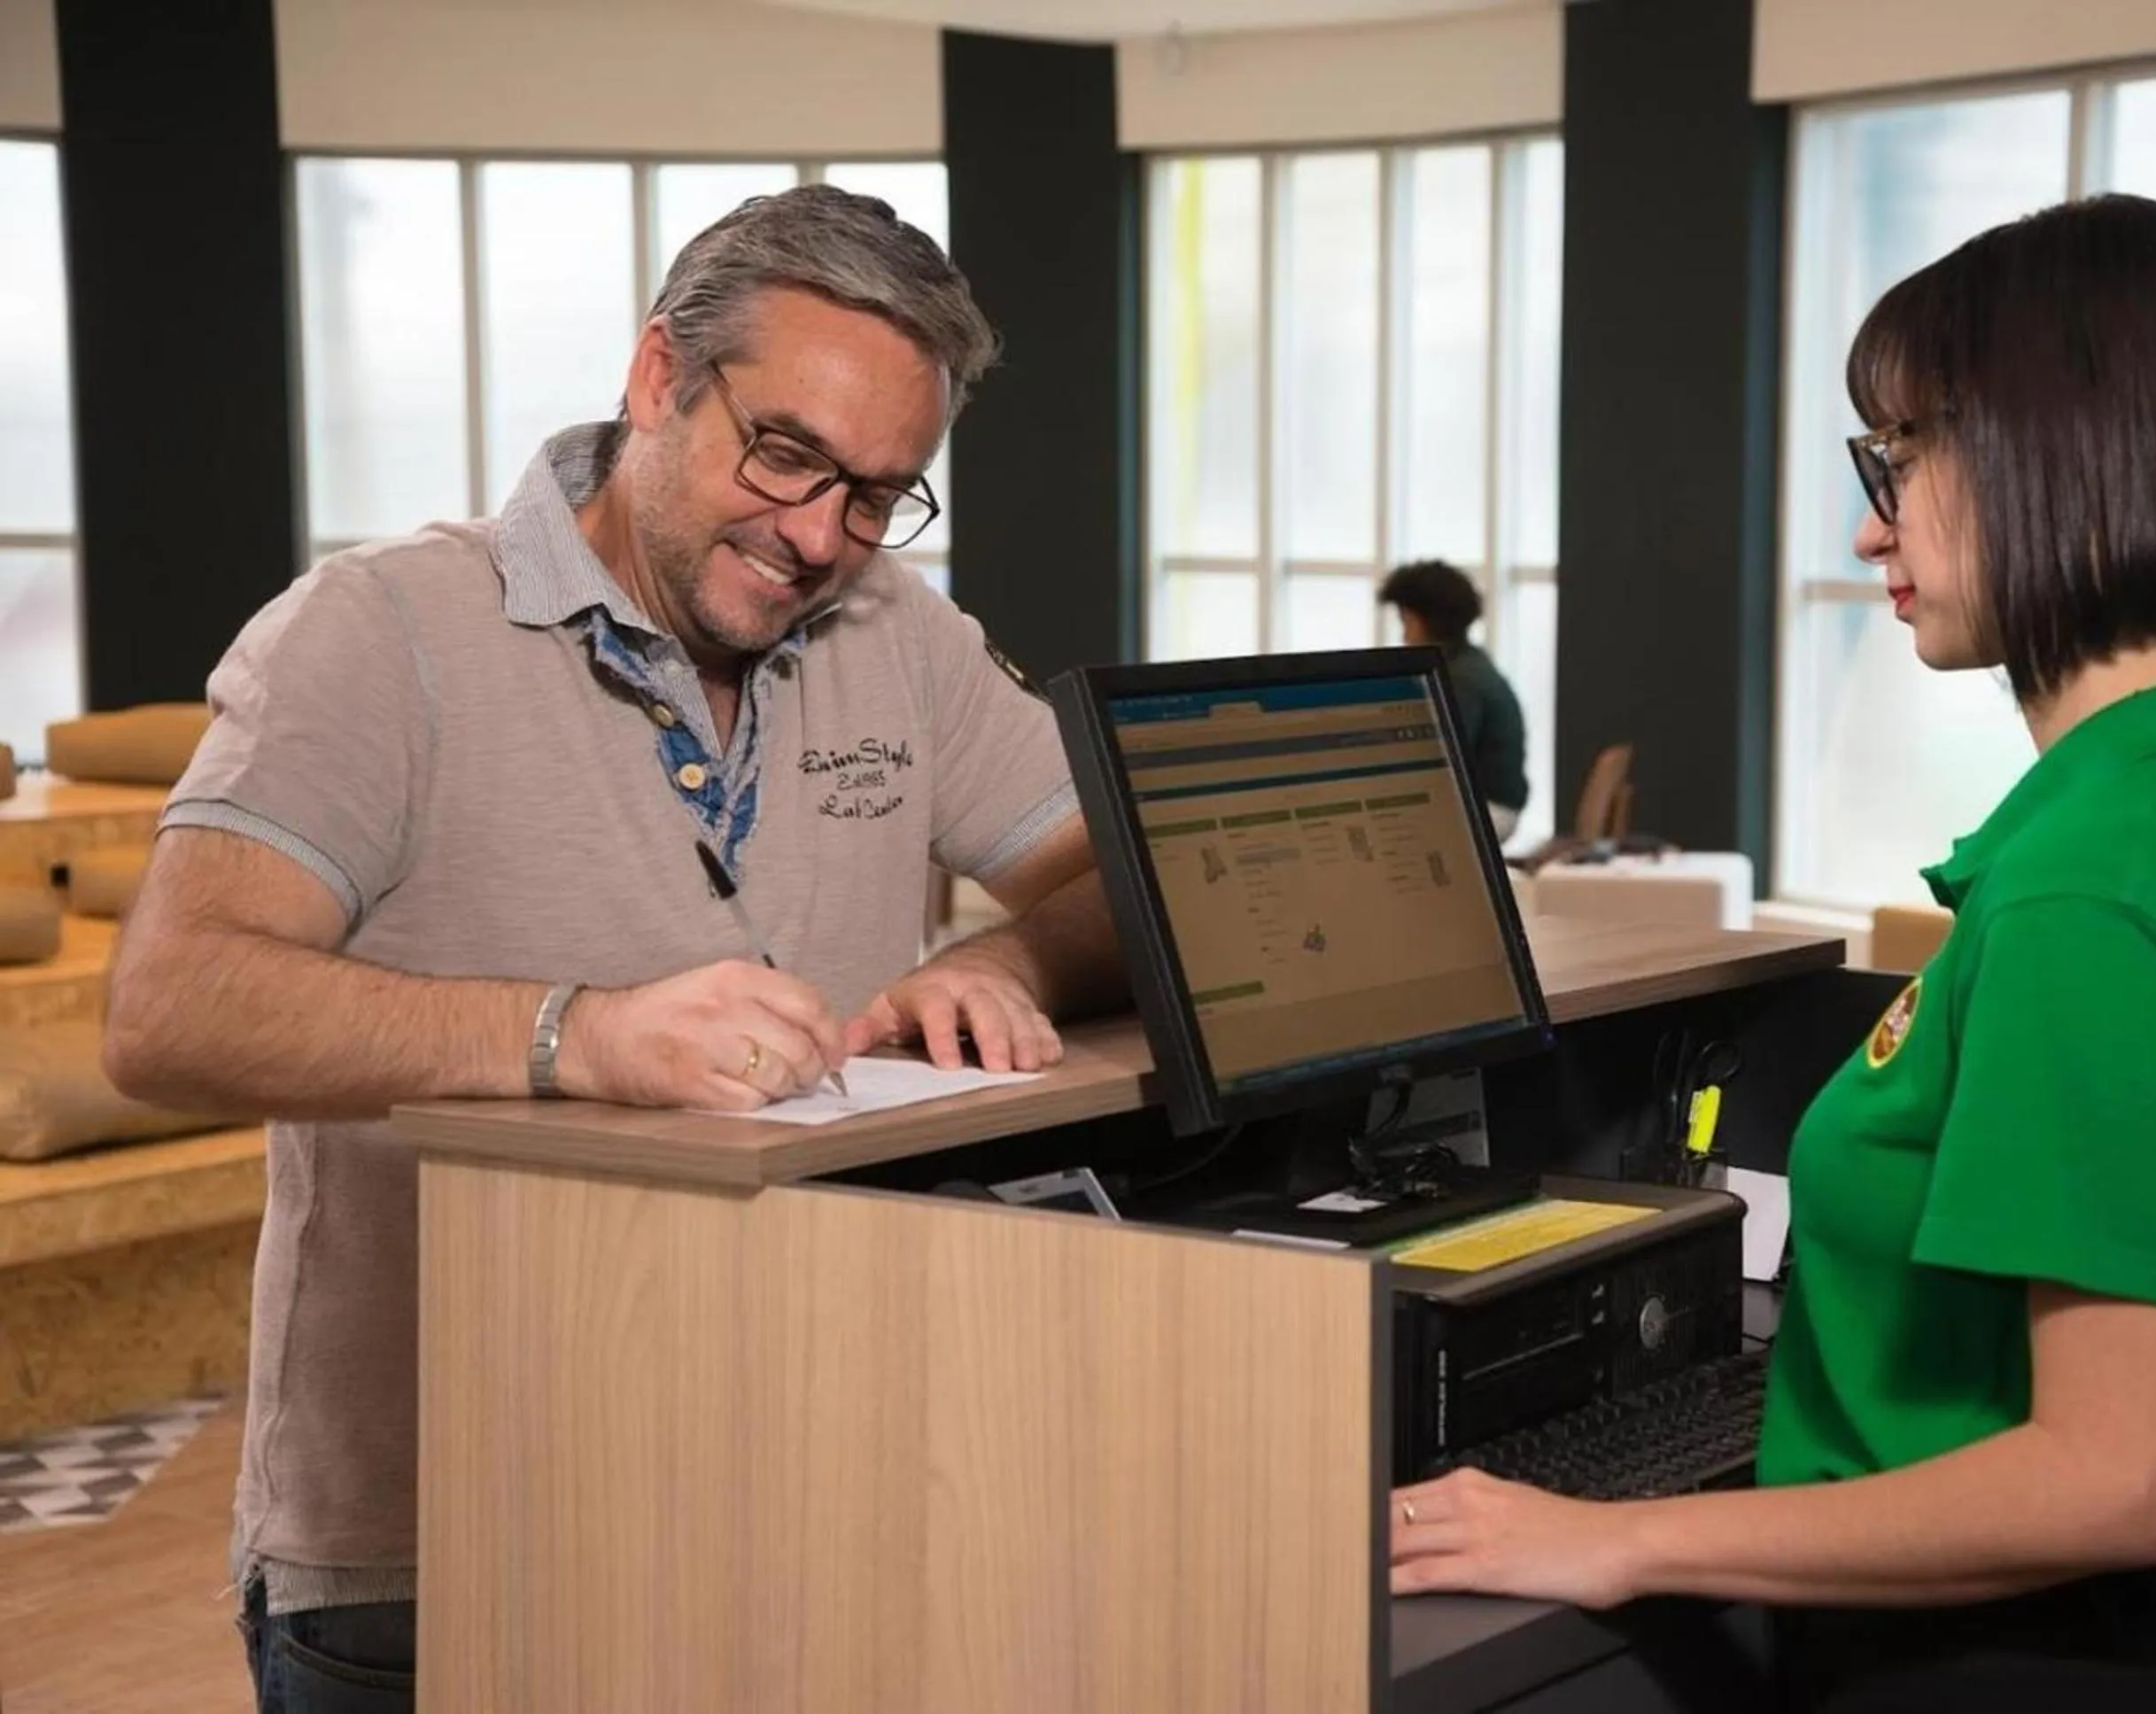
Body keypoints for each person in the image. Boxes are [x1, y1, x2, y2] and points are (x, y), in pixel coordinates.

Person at [100, 185, 1127, 1714]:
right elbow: (171, 1008)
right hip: (436, 1560)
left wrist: (1009, 963)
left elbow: (1138, 883)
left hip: (811, 1508)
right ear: (658, 377)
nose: (818, 536)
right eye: (784, 455)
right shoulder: (376, 632)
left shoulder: (898, 632)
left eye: (876, 494)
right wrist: (575, 1036)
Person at [1384, 193, 2156, 1711]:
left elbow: (2115, 1481)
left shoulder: (2084, 890)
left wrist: (1616, 1535)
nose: (1873, 526)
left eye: (1901, 462)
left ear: (2056, 458)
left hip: (2002, 1659)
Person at [1377, 559, 1530, 839]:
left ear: (1419, 620)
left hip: (1491, 808)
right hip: (1500, 804)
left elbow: (1441, 759)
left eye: (1405, 620)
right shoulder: (1470, 663)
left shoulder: (1458, 680)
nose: (1403, 633)